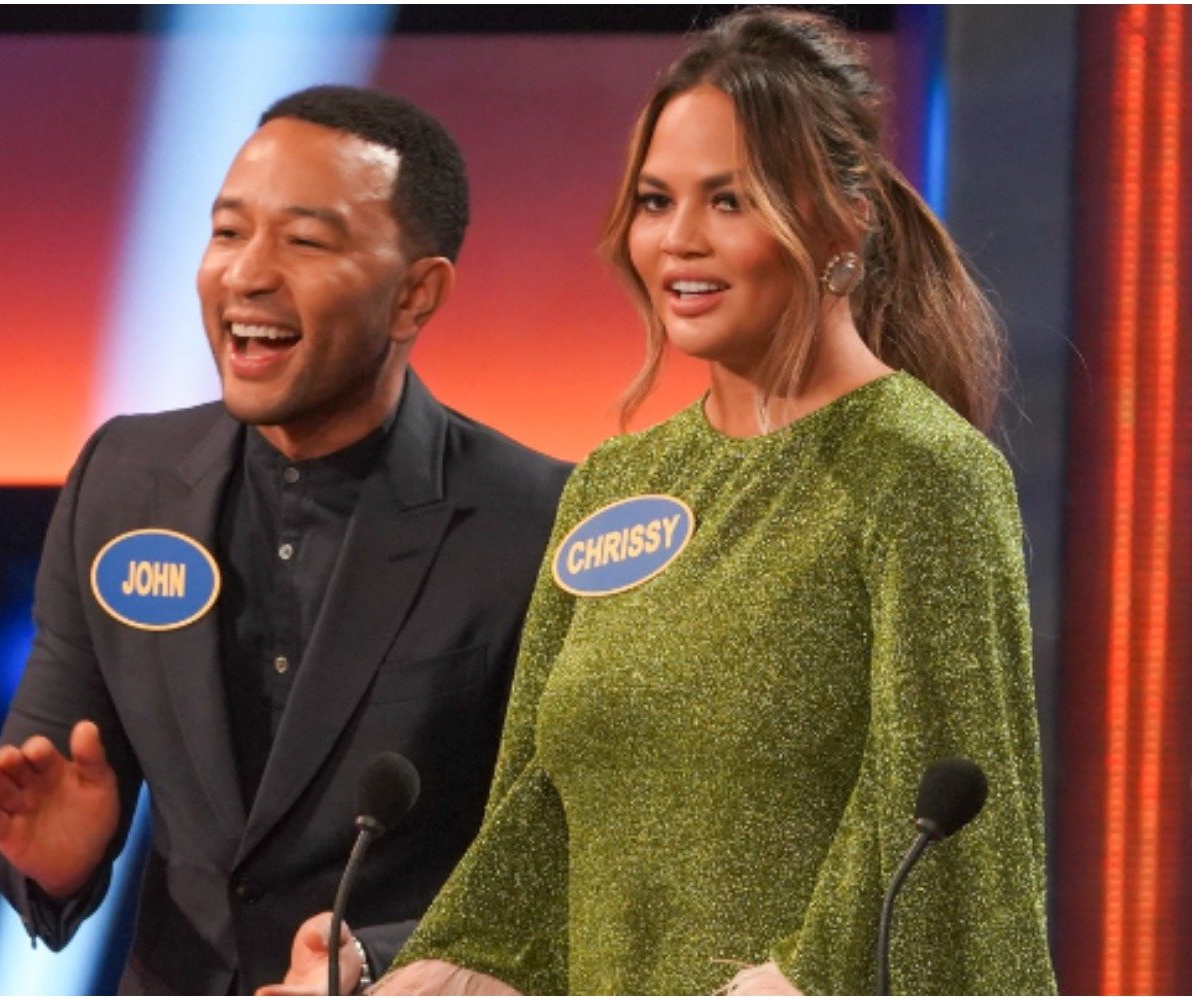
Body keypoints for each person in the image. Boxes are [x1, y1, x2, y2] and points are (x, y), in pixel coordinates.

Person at [369, 9, 1054, 995]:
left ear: (842, 221)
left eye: (728, 200)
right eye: (655, 200)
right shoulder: (614, 484)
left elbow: (945, 848)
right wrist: (427, 974)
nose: (677, 241)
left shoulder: (923, 474)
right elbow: (532, 822)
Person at [0, 85, 570, 994]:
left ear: (416, 295)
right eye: (228, 231)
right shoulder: (122, 481)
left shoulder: (534, 515)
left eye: (305, 241)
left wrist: (378, 959)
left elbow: (564, 860)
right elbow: (45, 781)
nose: (247, 273)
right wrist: (52, 862)